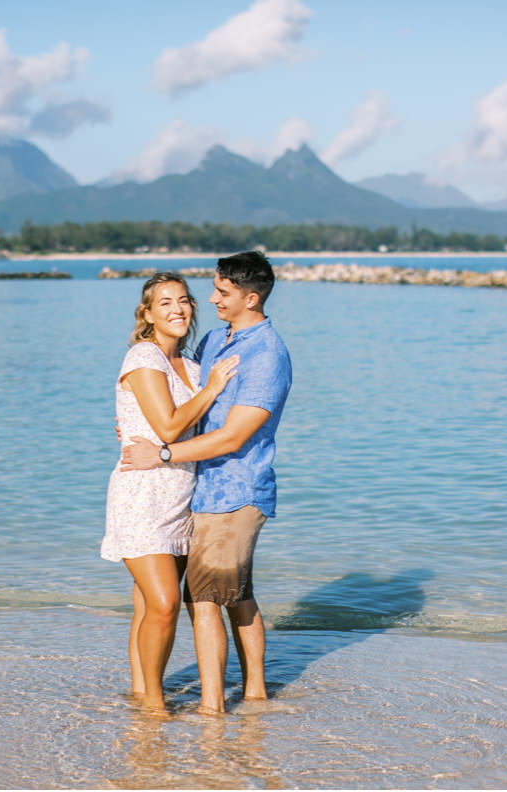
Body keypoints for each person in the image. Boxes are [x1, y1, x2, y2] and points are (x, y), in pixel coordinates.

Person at [121, 251, 292, 714]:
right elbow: (177, 400)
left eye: (222, 292)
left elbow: (235, 433)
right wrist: (134, 420)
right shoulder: (214, 342)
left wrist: (161, 452)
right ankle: (251, 693)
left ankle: (212, 708)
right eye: (212, 290)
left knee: (205, 598)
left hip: (237, 489)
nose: (209, 299)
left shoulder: (267, 353)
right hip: (195, 491)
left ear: (250, 298)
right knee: (234, 596)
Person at [101, 272, 240, 712]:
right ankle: (156, 708)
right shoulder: (144, 357)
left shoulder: (193, 366)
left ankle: (141, 694)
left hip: (181, 498)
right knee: (163, 604)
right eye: (164, 303)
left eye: (184, 300)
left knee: (147, 606)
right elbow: (167, 426)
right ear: (147, 315)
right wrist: (214, 389)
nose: (177, 309)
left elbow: (187, 427)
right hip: (141, 495)